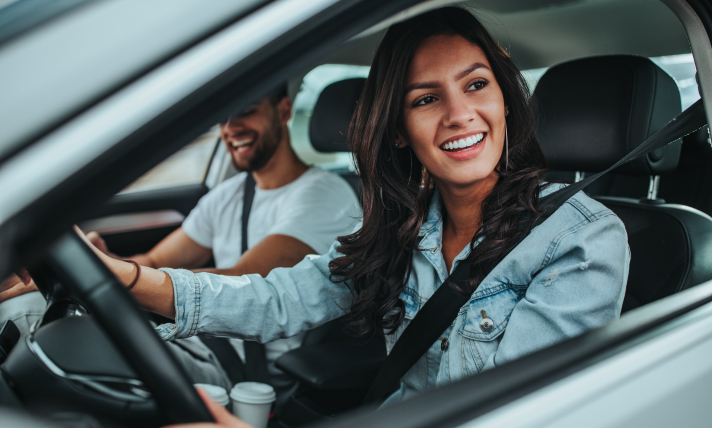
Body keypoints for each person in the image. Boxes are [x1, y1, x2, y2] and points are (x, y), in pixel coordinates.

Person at [76, 6, 628, 425]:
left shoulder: (581, 242)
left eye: (476, 85)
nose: (461, 114)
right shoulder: (402, 231)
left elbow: (500, 415)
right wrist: (120, 277)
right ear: (398, 131)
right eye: (425, 99)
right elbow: (275, 299)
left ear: (505, 100)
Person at [0, 85, 361, 400]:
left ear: (283, 111)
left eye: (246, 111)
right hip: (191, 335)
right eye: (222, 118)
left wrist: (107, 274)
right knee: (36, 308)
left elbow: (242, 279)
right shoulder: (230, 193)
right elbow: (154, 259)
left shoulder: (324, 197)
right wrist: (97, 259)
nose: (231, 128)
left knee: (28, 318)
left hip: (243, 371)